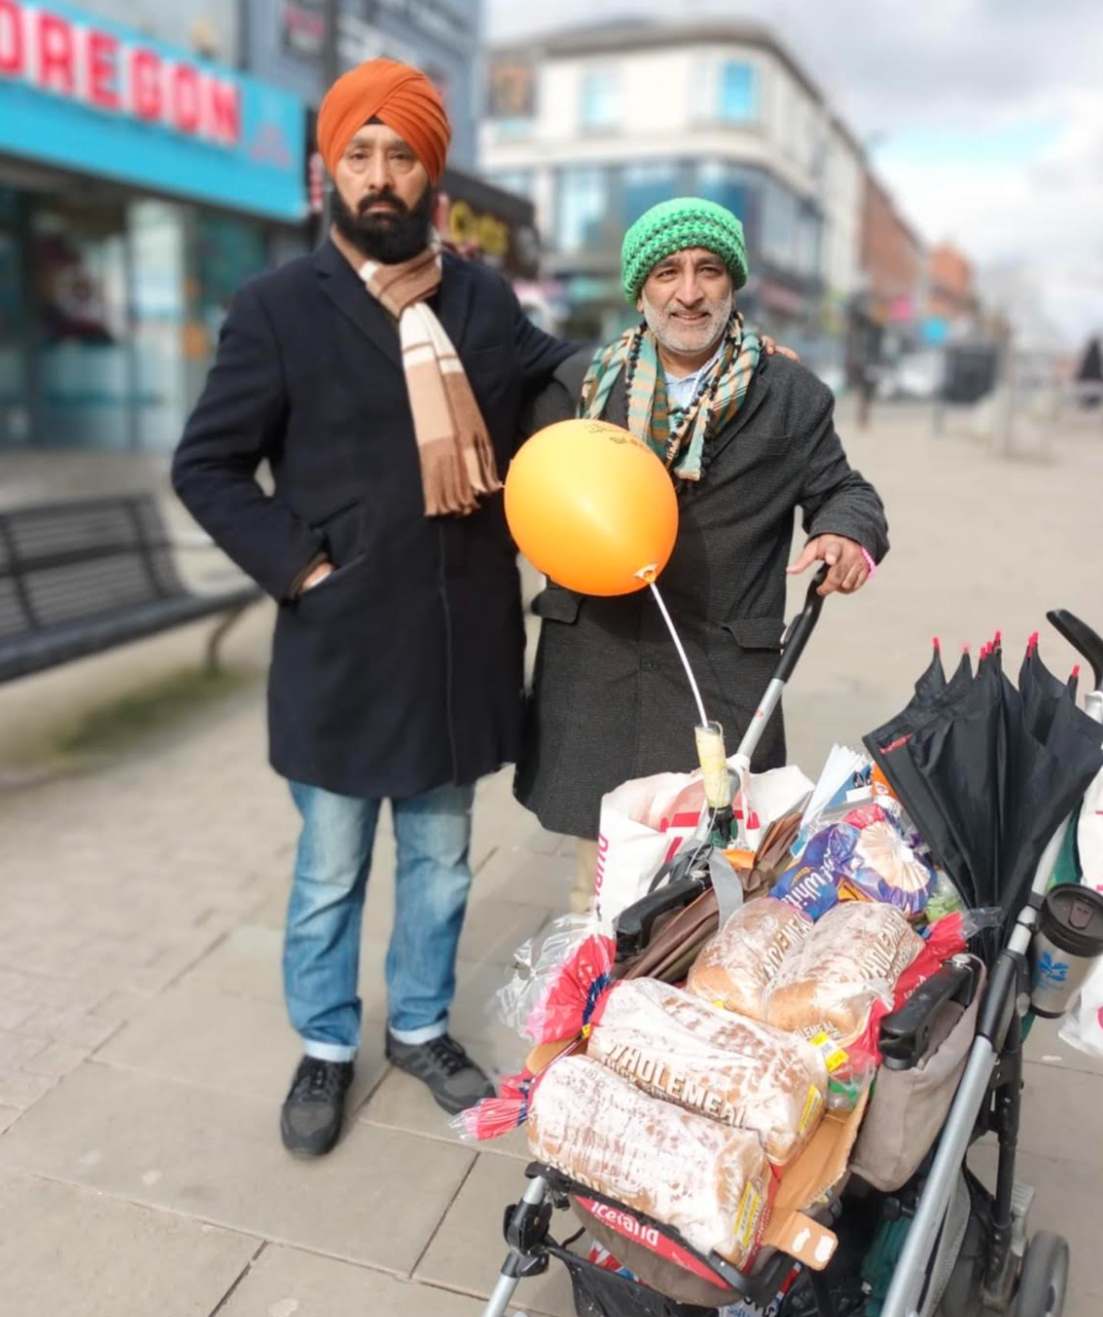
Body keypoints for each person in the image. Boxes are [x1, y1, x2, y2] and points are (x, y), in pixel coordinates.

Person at [172, 58, 575, 1157]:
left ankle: (416, 1027)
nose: (382, 175)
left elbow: (562, 377)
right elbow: (206, 466)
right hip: (343, 649)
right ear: (328, 172)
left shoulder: (483, 299)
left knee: (441, 863)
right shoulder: (275, 311)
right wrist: (302, 570)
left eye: (403, 155)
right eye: (362, 154)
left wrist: (687, 356)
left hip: (456, 650)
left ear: (431, 175)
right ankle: (325, 1045)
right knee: (329, 871)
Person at [514, 198, 889, 910]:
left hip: (714, 678)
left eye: (707, 270)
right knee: (597, 903)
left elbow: (846, 489)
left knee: (710, 905)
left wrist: (846, 532)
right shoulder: (580, 386)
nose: (688, 292)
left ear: (732, 283)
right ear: (639, 290)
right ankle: (588, 1020)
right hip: (595, 667)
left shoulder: (789, 395)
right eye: (666, 273)